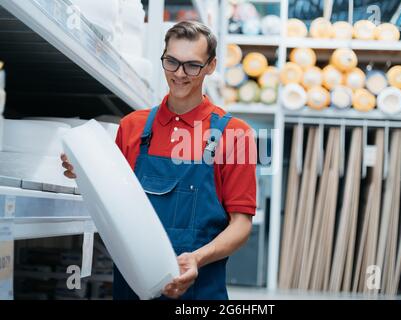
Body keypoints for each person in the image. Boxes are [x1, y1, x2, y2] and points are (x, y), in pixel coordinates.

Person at [61, 21, 257, 300]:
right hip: (132, 289)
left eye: (192, 65)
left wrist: (197, 259)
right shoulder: (132, 127)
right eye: (171, 62)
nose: (179, 74)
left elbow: (241, 225)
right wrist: (85, 172)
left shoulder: (235, 135)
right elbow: (116, 204)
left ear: (211, 66)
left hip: (198, 291)